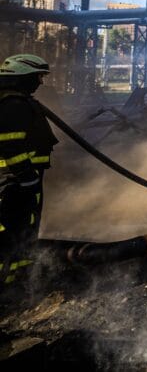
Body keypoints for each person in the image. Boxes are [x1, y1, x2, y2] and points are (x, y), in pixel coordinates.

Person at [0, 54, 57, 288]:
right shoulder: (14, 105)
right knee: (14, 229)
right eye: (37, 77)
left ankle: (19, 280)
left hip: (20, 178)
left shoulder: (16, 102)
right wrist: (26, 176)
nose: (40, 82)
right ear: (21, 77)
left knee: (24, 229)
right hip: (15, 180)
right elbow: (10, 145)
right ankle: (9, 285)